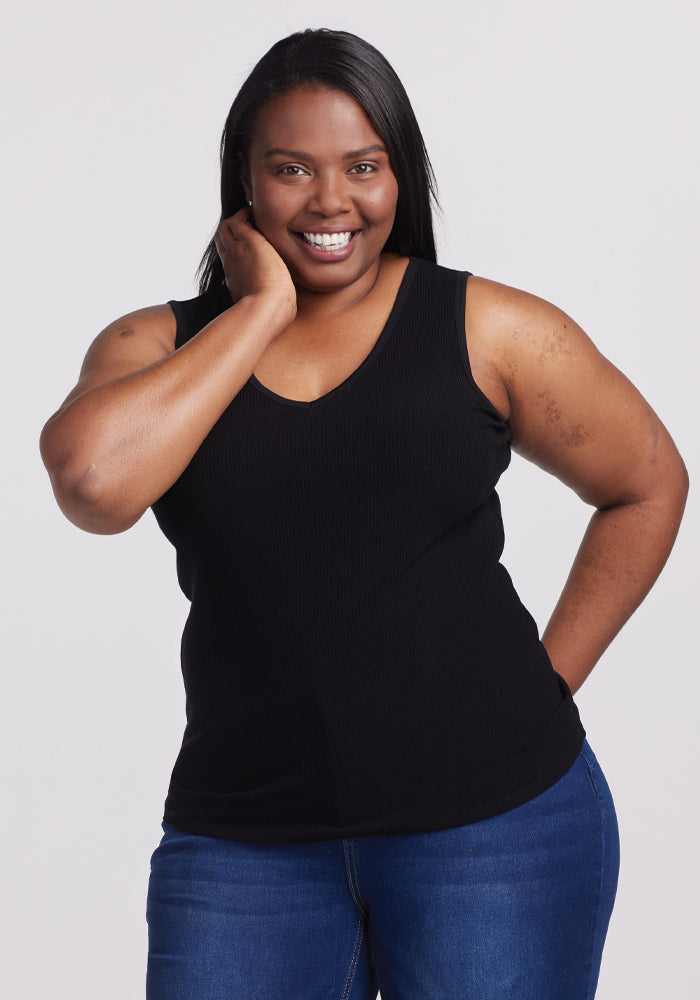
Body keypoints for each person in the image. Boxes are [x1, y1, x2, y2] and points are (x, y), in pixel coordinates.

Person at [40, 27, 687, 1000]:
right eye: (291, 168)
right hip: (245, 842)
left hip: (494, 825)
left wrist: (546, 683)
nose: (331, 200)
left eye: (363, 166)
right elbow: (94, 487)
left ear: (401, 175)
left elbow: (647, 482)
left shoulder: (490, 330)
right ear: (245, 183)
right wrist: (259, 309)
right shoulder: (157, 346)